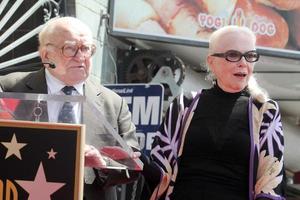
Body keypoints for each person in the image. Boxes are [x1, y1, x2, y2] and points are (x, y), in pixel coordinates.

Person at [0, 16, 140, 200]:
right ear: (46, 55)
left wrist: (101, 163)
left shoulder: (113, 103)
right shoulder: (9, 88)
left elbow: (134, 162)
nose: (81, 57)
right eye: (71, 49)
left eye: (86, 49)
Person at [141, 25, 285, 200]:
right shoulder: (183, 105)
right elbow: (160, 171)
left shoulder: (265, 111)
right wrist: (137, 159)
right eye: (233, 55)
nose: (243, 62)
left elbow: (270, 182)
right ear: (211, 62)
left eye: (250, 56)